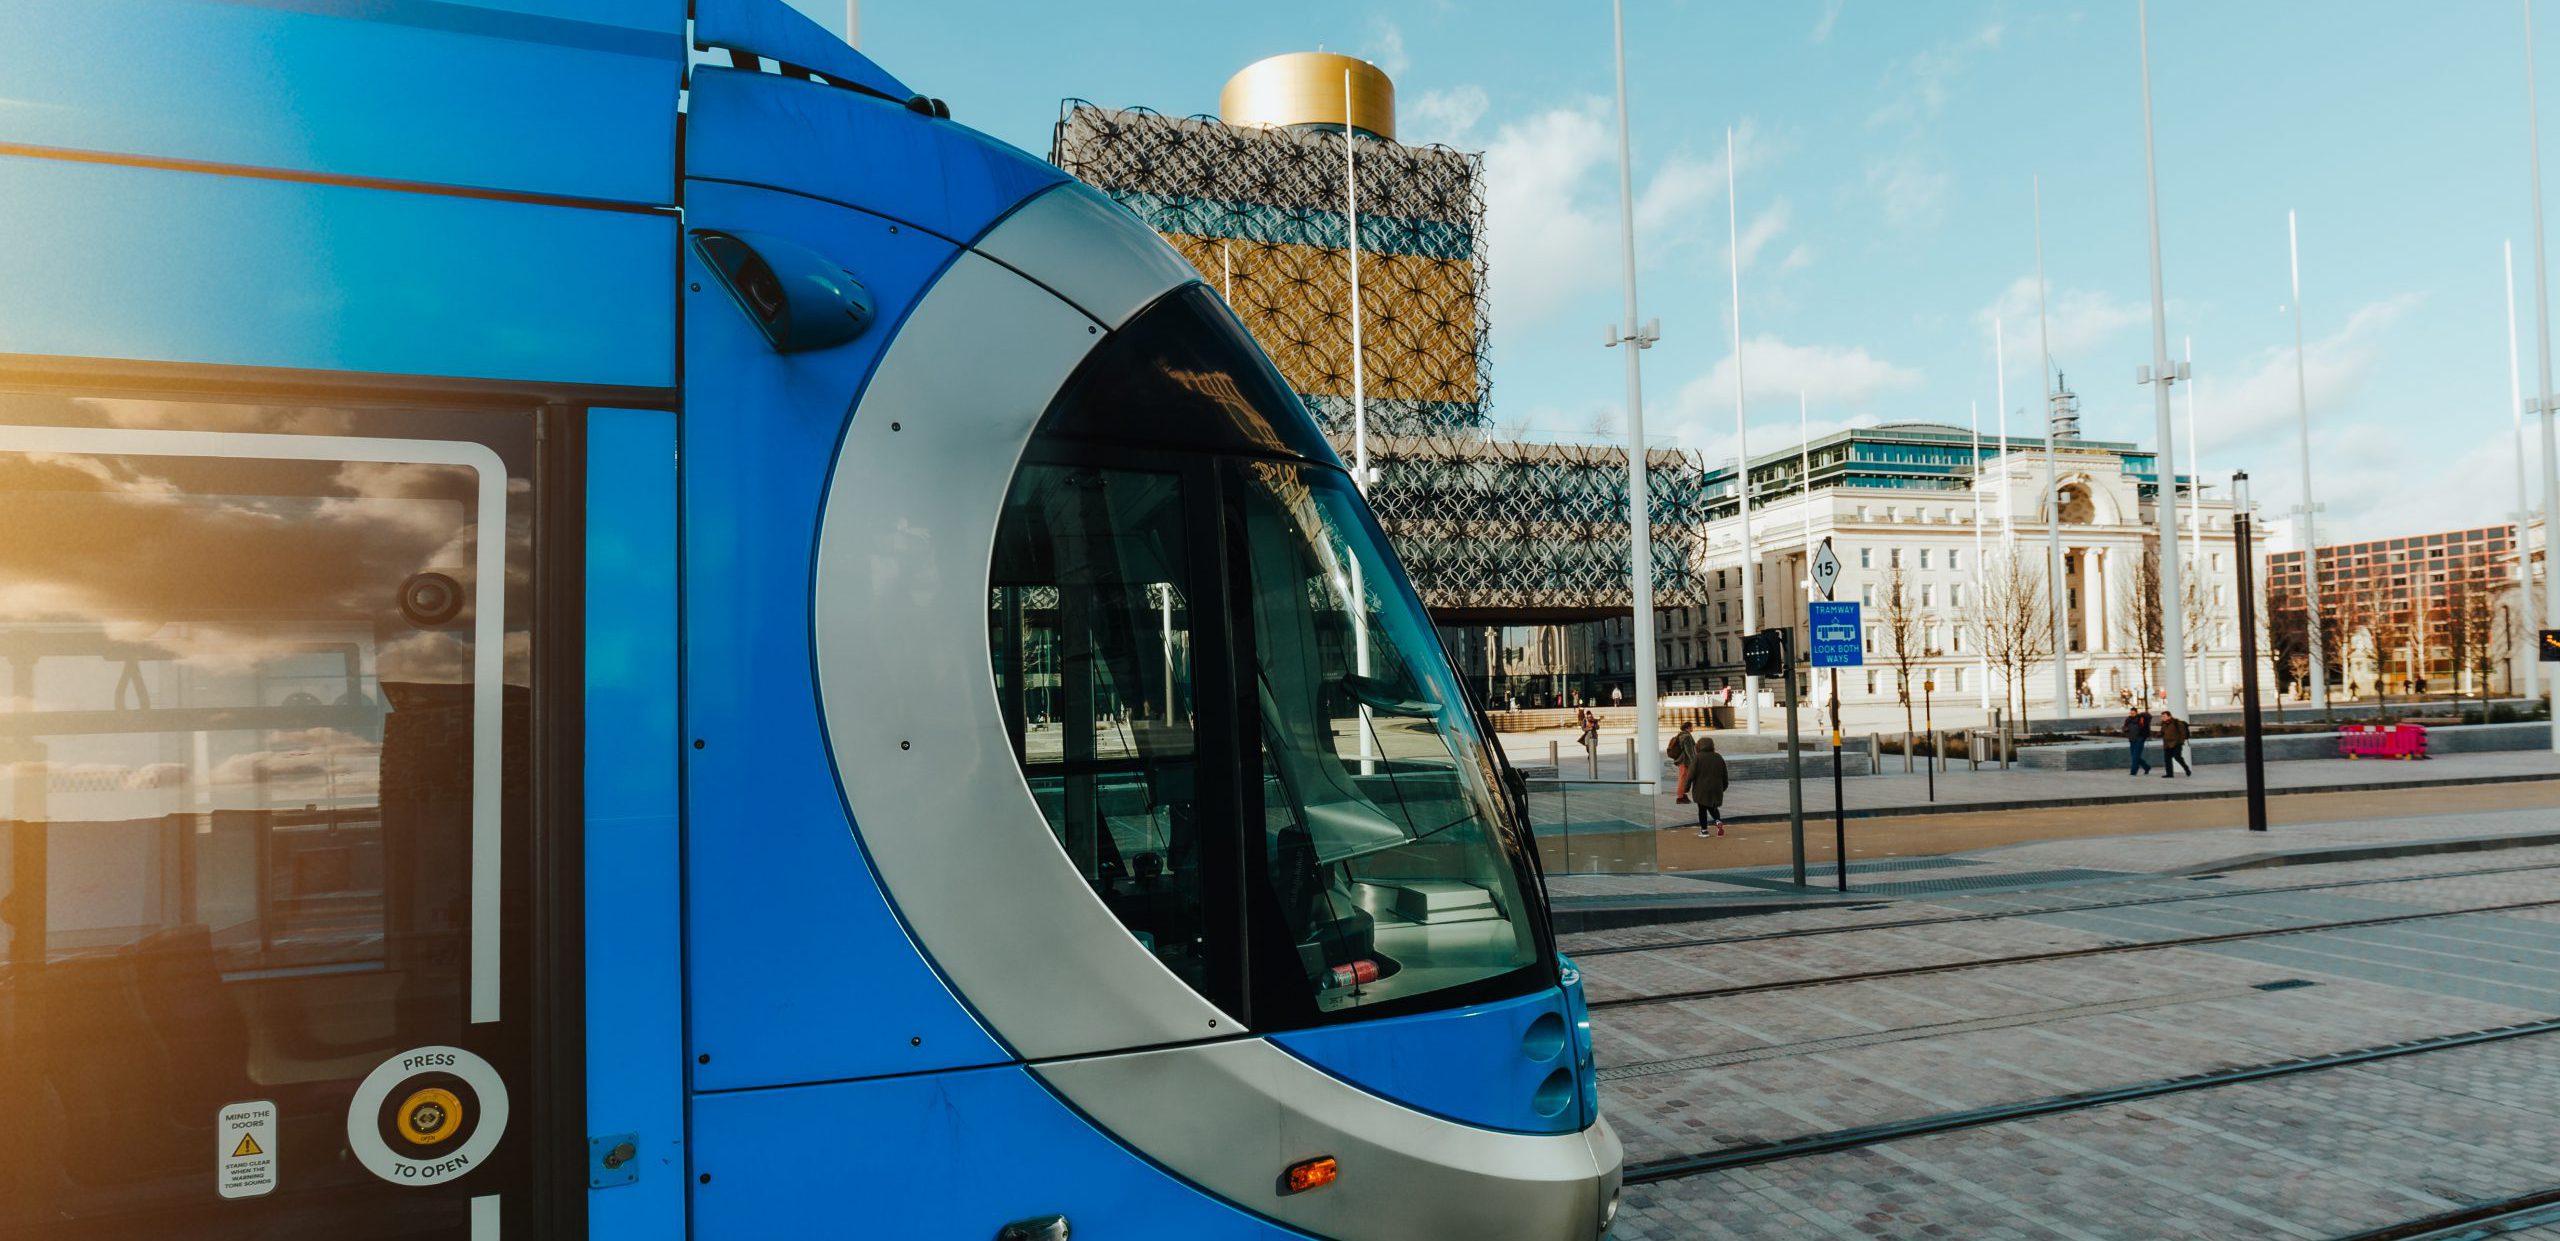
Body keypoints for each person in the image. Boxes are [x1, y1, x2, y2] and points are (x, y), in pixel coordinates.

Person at [1684, 735, 1729, 837]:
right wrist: (1723, 787)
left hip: (1701, 788)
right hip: (1716, 788)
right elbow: (1725, 774)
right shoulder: (1718, 757)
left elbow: (1690, 775)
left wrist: (1686, 788)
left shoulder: (1698, 758)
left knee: (1702, 809)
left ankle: (1704, 831)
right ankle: (1717, 821)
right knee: (1712, 806)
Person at [1667, 721, 1698, 808]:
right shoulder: (1686, 736)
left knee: (1684, 778)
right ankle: (1680, 797)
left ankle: (1683, 795)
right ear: (1687, 727)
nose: (1693, 728)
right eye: (1691, 726)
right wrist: (1694, 762)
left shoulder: (1680, 735)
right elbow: (1689, 751)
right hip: (1685, 761)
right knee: (1683, 778)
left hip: (1682, 761)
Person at [2159, 707, 2192, 778]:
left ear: (2169, 716)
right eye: (2162, 716)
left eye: (2164, 716)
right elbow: (2162, 733)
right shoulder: (2164, 724)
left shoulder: (2177, 723)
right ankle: (2169, 774)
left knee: (2177, 757)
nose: (2163, 718)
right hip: (2167, 744)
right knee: (2167, 759)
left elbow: (2183, 733)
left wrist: (2180, 742)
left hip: (2176, 743)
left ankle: (2186, 769)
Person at [2123, 705, 2154, 776]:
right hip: (2131, 740)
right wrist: (2125, 730)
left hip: (2139, 739)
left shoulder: (2141, 718)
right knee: (2134, 756)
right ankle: (2147, 767)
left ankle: (2133, 772)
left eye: (2133, 713)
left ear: (2136, 713)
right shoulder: (2128, 719)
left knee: (2135, 756)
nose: (2132, 714)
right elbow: (2124, 727)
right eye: (2131, 713)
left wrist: (2142, 714)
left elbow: (2148, 716)